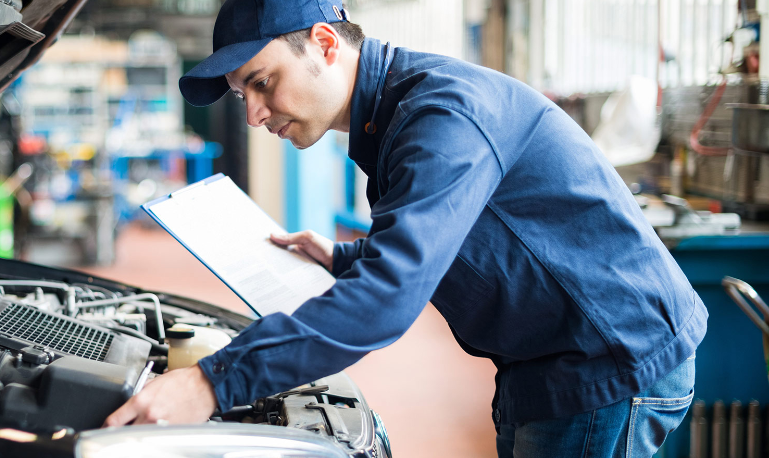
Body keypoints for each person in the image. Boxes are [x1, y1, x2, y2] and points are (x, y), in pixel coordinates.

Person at [104, 1, 708, 456]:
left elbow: (387, 302)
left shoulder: (440, 116)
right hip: (550, 358)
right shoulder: (391, 118)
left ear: (324, 43)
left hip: (604, 360)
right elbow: (468, 230)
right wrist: (346, 256)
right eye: (243, 97)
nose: (256, 113)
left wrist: (211, 383)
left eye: (262, 81)